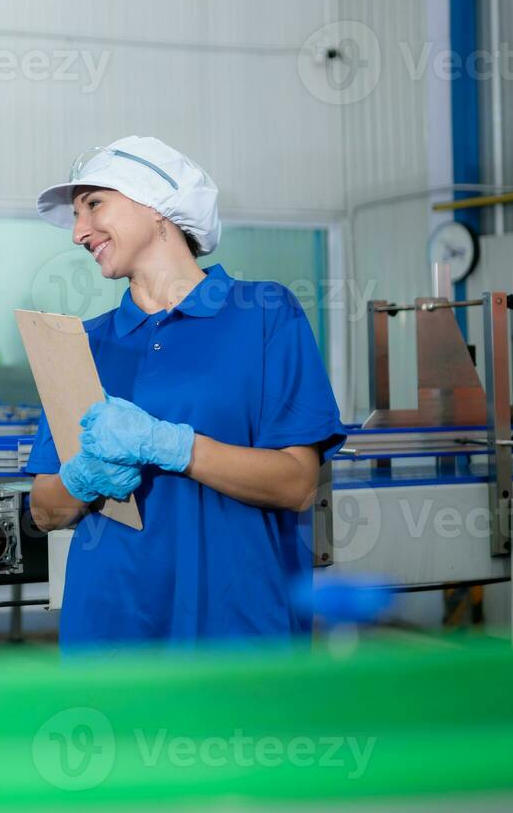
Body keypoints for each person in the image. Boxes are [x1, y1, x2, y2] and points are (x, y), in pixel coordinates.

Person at [25, 136, 346, 649]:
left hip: (236, 623)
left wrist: (174, 446)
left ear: (157, 207)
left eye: (94, 204)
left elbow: (298, 484)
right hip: (112, 628)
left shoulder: (264, 313)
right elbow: (45, 510)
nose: (79, 232)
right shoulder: (79, 343)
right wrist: (82, 478)